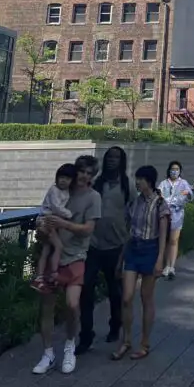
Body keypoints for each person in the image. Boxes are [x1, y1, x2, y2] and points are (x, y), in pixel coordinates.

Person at [32, 155, 101, 376]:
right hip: (52, 253)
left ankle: (70, 345)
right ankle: (48, 353)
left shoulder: (93, 197)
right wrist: (43, 229)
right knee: (47, 307)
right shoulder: (60, 191)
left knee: (72, 305)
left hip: (76, 256)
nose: (84, 176)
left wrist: (64, 224)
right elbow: (43, 217)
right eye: (81, 171)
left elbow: (89, 228)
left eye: (89, 173)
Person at [111, 165, 169, 361]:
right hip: (133, 250)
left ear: (150, 182)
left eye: (141, 179)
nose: (137, 182)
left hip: (151, 249)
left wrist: (161, 259)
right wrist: (121, 259)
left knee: (146, 297)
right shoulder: (134, 203)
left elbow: (163, 234)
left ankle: (144, 342)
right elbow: (128, 233)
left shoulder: (160, 203)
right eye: (137, 179)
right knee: (126, 297)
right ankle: (126, 340)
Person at [77, 146, 130, 355]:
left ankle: (115, 325)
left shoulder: (127, 186)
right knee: (86, 289)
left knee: (114, 290)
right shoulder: (96, 184)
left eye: (116, 158)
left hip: (116, 245)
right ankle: (86, 335)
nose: (112, 161)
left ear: (122, 161)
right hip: (92, 244)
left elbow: (135, 210)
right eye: (109, 157)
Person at [31, 163, 75, 291]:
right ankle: (53, 274)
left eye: (67, 178)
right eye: (61, 177)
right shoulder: (54, 190)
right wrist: (69, 215)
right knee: (58, 246)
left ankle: (39, 277)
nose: (63, 180)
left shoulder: (66, 192)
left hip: (52, 221)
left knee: (46, 249)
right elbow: (56, 207)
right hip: (46, 219)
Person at [159, 160, 194, 279]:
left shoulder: (183, 183)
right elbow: (159, 195)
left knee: (174, 240)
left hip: (177, 215)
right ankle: (165, 265)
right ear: (169, 170)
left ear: (180, 171)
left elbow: (189, 196)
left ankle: (171, 266)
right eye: (172, 169)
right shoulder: (164, 183)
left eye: (177, 169)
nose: (174, 172)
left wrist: (188, 194)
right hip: (164, 215)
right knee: (164, 240)